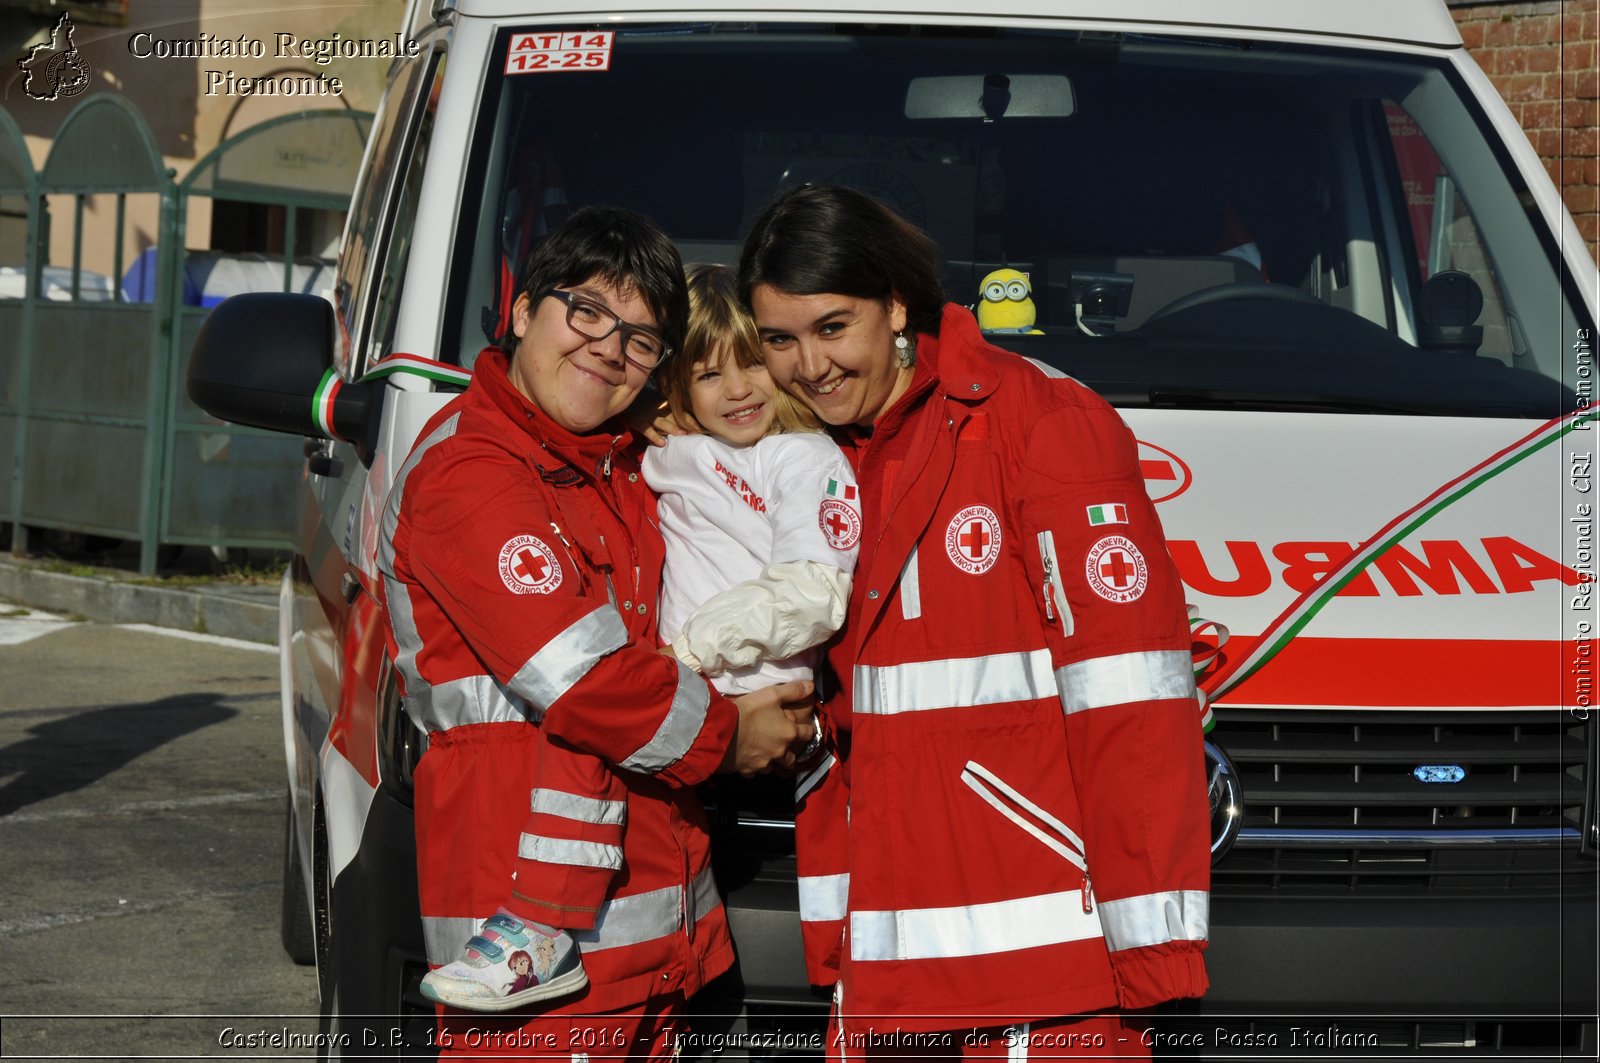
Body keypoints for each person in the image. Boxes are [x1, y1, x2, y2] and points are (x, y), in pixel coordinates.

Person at [738, 184, 1212, 1057]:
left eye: (832, 327)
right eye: (779, 339)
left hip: (1047, 974)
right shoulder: (796, 456)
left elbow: (1133, 706)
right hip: (881, 963)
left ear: (895, 306)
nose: (809, 366)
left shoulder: (1041, 427)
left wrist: (1156, 952)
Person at [377, 205, 816, 1058]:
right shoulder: (474, 472)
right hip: (537, 958)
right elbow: (589, 682)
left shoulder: (614, 469)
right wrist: (734, 736)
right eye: (585, 311)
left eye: (641, 339)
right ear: (521, 311)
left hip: (660, 939)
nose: (609, 347)